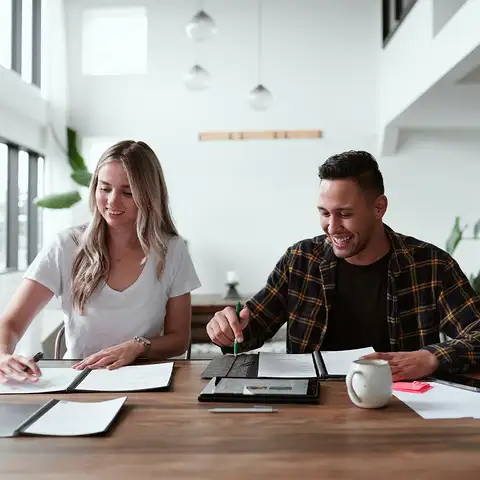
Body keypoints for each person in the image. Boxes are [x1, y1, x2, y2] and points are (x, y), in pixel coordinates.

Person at [206, 150, 480, 381]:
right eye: (324, 213)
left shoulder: (431, 265)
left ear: (379, 208)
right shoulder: (300, 260)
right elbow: (251, 330)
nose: (332, 227)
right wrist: (227, 328)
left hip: (399, 404)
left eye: (345, 214)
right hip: (312, 405)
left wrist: (430, 358)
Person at [0, 140, 201, 383]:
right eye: (105, 189)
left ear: (148, 196)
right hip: (78, 380)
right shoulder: (66, 245)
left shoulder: (172, 250)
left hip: (145, 380)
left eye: (127, 192)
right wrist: (2, 355)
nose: (112, 202)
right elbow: (10, 323)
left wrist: (138, 347)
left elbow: (179, 338)